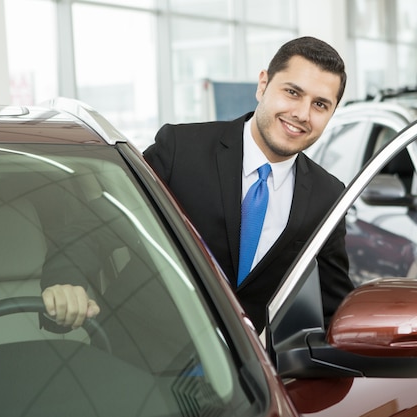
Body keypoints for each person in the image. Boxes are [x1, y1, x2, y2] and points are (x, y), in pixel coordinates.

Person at [42, 35, 354, 332]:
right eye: (292, 92)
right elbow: (97, 226)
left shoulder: (328, 196)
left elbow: (333, 306)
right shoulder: (181, 149)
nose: (301, 114)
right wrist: (66, 281)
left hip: (243, 376)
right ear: (263, 85)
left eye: (320, 105)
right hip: (139, 353)